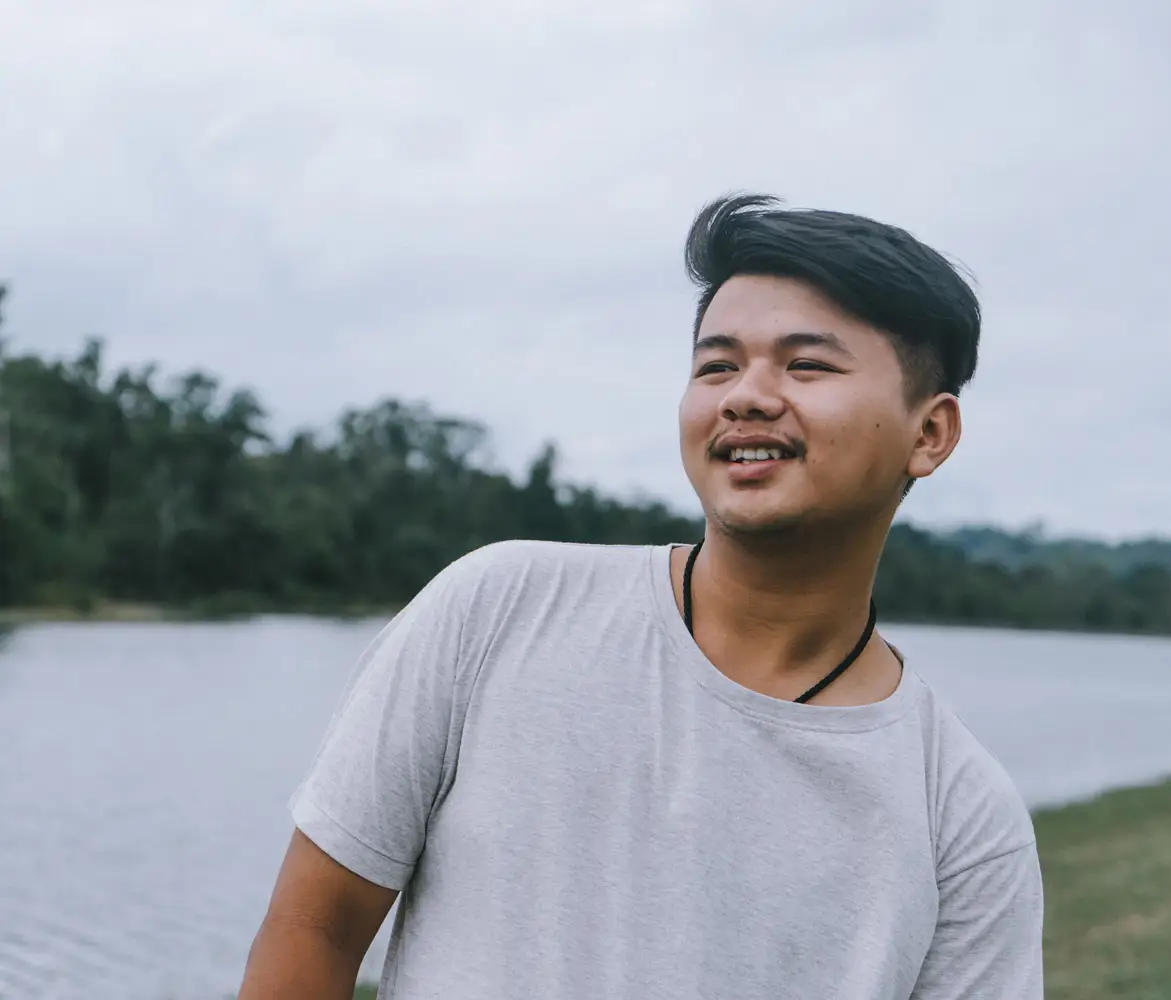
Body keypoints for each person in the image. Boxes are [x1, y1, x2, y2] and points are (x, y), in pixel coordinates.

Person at [238, 193, 1044, 999]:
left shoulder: (961, 817)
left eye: (806, 365)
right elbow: (315, 926)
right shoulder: (496, 610)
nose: (745, 396)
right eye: (717, 365)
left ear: (929, 433)